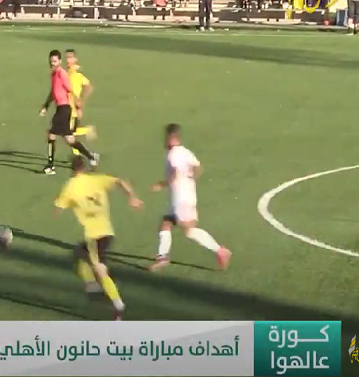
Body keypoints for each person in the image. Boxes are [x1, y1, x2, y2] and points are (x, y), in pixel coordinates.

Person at [54, 155, 143, 320]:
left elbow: (58, 208)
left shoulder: (70, 186)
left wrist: (61, 205)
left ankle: (117, 305)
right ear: (84, 168)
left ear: (72, 169)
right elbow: (120, 181)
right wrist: (132, 196)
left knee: (99, 269)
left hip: (93, 236)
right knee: (80, 255)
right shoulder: (96, 180)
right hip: (107, 232)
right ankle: (93, 288)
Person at [149, 124, 232, 272]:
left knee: (188, 230)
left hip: (181, 198)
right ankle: (162, 257)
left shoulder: (173, 154)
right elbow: (198, 167)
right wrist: (191, 181)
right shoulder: (185, 151)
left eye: (166, 137)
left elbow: (175, 173)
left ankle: (221, 251)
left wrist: (162, 184)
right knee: (166, 223)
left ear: (171, 137)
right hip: (183, 195)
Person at [39, 50, 98, 175]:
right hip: (60, 109)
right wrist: (45, 106)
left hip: (64, 108)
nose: (53, 63)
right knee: (70, 140)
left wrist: (78, 105)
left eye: (55, 61)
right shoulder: (53, 74)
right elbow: (53, 92)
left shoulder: (62, 73)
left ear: (59, 61)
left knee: (51, 135)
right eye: (51, 61)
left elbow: (70, 90)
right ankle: (91, 157)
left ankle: (50, 166)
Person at [65, 49, 96, 156]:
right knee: (70, 134)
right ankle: (77, 154)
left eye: (70, 57)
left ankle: (87, 131)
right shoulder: (68, 72)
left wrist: (82, 101)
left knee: (68, 134)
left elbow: (89, 87)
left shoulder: (78, 73)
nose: (67, 60)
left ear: (75, 59)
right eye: (66, 57)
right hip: (66, 107)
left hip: (73, 109)